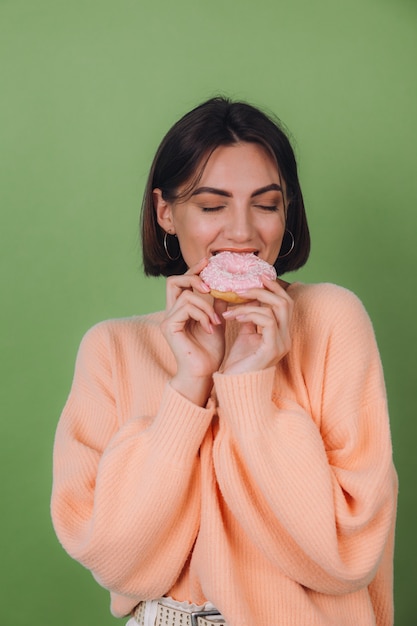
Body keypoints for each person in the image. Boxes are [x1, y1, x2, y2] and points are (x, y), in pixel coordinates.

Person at [51, 97, 398, 626]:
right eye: (212, 206)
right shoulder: (111, 350)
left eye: (266, 204)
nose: (242, 233)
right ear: (166, 212)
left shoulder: (331, 320)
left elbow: (343, 556)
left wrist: (247, 384)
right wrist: (189, 386)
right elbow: (117, 562)